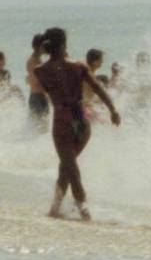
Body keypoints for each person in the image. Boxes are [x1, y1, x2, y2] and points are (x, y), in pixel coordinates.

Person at [35, 27, 120, 220]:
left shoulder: (40, 70)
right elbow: (97, 88)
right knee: (67, 166)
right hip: (82, 122)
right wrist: (113, 110)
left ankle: (84, 212)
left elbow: (52, 89)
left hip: (62, 122)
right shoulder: (79, 66)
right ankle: (55, 209)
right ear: (65, 43)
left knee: (69, 166)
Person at [25, 33, 50, 124]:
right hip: (38, 97)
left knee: (38, 127)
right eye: (45, 45)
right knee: (42, 127)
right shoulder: (35, 61)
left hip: (35, 96)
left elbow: (28, 79)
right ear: (40, 46)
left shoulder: (33, 60)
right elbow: (37, 81)